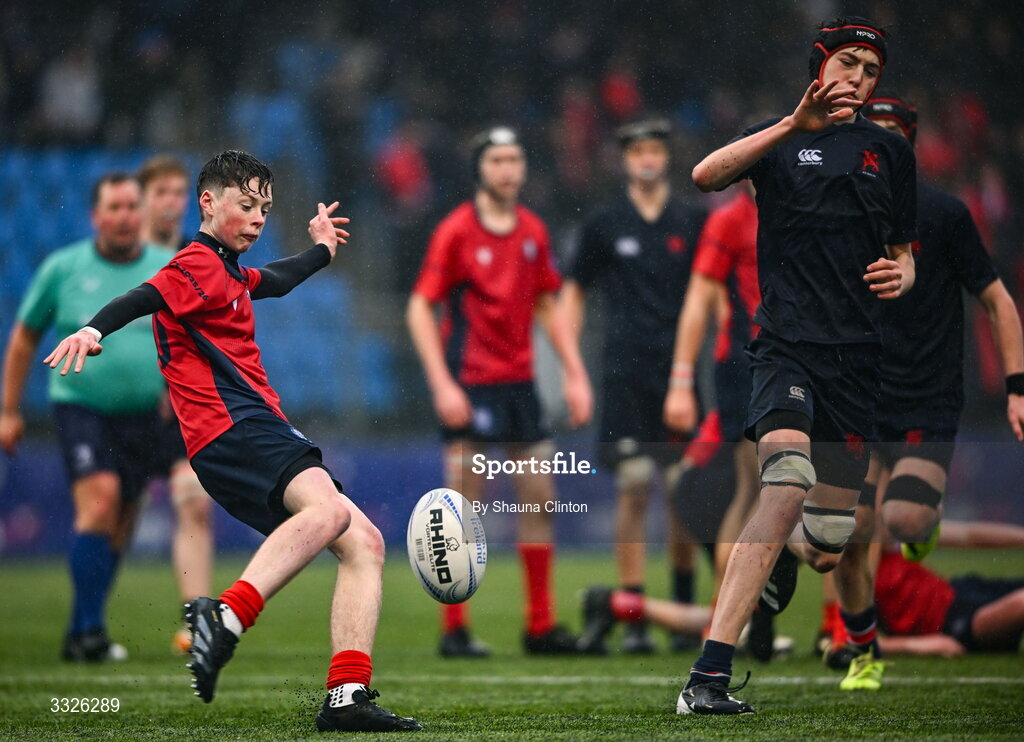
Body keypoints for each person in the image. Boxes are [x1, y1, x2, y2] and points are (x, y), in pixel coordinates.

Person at [44, 150, 422, 732]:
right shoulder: (194, 262)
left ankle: (346, 694)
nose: (257, 218)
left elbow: (272, 280)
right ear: (208, 203)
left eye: (265, 209)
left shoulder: (227, 271)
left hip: (233, 439)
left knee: (363, 541)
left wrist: (322, 249)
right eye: (245, 205)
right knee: (329, 514)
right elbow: (146, 295)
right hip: (239, 427)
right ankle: (225, 616)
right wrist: (94, 328)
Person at [678, 17, 917, 716]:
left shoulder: (888, 154)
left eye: (870, 72)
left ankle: (800, 569)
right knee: (785, 482)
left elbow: (905, 252)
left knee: (826, 547)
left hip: (858, 363)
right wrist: (791, 124)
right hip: (785, 347)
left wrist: (902, 275)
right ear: (819, 64)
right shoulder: (778, 139)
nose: (859, 81)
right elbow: (703, 177)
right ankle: (707, 678)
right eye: (848, 64)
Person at [824, 91, 1024, 689]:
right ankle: (861, 653)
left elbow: (997, 300)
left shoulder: (944, 215)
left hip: (927, 397)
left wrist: (1017, 388)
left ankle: (922, 524)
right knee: (846, 535)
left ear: (908, 143)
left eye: (891, 135)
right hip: (859, 396)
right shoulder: (839, 213)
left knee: (904, 522)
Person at [406, 126, 592, 658]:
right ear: (480, 171)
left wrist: (575, 373)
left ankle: (540, 626)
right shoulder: (456, 232)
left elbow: (547, 307)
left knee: (541, 499)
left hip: (521, 386)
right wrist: (441, 383)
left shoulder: (532, 230)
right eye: (497, 161)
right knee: (462, 510)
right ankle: (455, 630)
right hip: (470, 385)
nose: (508, 170)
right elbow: (420, 306)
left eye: (515, 159)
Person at [0, 172, 172, 662]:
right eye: (113, 208)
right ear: (96, 216)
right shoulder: (63, 268)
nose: (123, 217)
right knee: (101, 501)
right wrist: (9, 410)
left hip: (144, 416)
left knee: (121, 520)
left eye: (131, 207)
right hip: (81, 406)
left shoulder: (165, 267)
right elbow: (24, 338)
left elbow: (187, 339)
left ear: (143, 216)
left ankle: (82, 632)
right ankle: (91, 629)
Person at [560, 116, 708, 654]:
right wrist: (572, 363)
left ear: (666, 157)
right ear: (624, 160)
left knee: (682, 493)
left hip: (680, 376)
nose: (646, 158)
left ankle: (687, 610)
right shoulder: (605, 224)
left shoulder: (691, 221)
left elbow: (709, 291)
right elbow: (573, 291)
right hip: (623, 373)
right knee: (634, 487)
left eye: (654, 149)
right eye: (636, 150)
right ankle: (637, 614)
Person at [662, 183, 767, 653]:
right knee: (755, 494)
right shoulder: (729, 220)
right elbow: (699, 298)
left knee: (781, 496)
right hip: (749, 367)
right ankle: (727, 629)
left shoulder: (804, 207)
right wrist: (682, 380)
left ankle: (832, 627)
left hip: (800, 361)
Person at [137, 154, 216, 654]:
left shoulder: (195, 257)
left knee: (194, 502)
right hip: (119, 411)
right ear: (143, 199)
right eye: (161, 192)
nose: (170, 202)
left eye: (177, 192)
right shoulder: (121, 256)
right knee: (114, 515)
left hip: (178, 407)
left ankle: (197, 619)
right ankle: (89, 625)